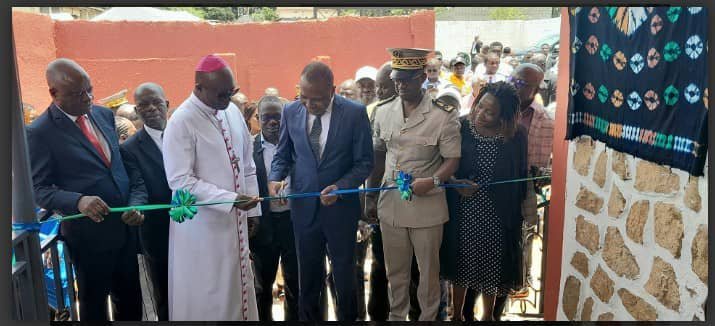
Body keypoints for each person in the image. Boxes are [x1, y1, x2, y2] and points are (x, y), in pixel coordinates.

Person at [27, 58, 144, 321]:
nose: (88, 97)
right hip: (89, 239)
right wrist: (78, 201)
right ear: (54, 94)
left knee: (131, 301)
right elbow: (39, 188)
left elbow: (124, 168)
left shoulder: (103, 114)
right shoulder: (39, 132)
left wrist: (136, 201)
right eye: (78, 93)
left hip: (126, 229)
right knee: (94, 309)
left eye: (89, 89)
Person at [268, 61, 374, 321]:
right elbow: (282, 154)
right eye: (304, 97)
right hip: (304, 211)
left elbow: (365, 163)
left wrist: (341, 187)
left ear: (333, 90)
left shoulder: (354, 113)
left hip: (340, 211)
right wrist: (274, 178)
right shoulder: (291, 111)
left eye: (316, 100)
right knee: (308, 279)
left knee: (344, 277)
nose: (309, 105)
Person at [162, 54, 262, 321]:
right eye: (221, 95)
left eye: (232, 93)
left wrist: (253, 212)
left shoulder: (230, 111)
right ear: (199, 87)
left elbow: (247, 162)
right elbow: (180, 180)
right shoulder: (181, 121)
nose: (227, 100)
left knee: (238, 288)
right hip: (203, 230)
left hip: (236, 222)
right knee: (208, 294)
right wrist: (230, 200)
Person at [366, 48, 461, 321]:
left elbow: (452, 160)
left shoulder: (442, 115)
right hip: (392, 202)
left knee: (429, 274)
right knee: (395, 273)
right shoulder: (383, 112)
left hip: (427, 203)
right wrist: (370, 197)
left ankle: (428, 318)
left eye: (406, 79)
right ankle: (397, 317)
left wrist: (432, 181)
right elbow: (378, 155)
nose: (400, 85)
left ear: (421, 77)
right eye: (397, 79)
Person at [441, 81, 528, 321]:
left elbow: (520, 175)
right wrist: (455, 183)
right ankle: (456, 316)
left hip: (498, 214)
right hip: (463, 211)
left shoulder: (516, 135)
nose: (481, 114)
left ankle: (488, 317)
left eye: (490, 112)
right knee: (461, 263)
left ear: (505, 116)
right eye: (480, 106)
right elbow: (442, 165)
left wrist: (521, 209)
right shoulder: (460, 127)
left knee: (491, 265)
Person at [119, 82, 172, 321]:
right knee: (165, 294)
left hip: (196, 228)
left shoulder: (186, 134)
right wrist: (137, 207)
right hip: (158, 232)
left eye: (156, 103)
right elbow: (137, 186)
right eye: (143, 106)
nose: (151, 109)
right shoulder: (130, 148)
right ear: (137, 112)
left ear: (167, 105)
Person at [249, 95, 300, 321]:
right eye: (267, 118)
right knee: (262, 289)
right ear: (257, 119)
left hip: (294, 223)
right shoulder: (247, 150)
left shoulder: (299, 146)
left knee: (296, 285)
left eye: (277, 117)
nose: (273, 122)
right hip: (263, 228)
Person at [511, 63, 554, 285]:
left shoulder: (545, 121)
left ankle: (518, 284)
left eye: (522, 84)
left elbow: (540, 166)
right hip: (486, 189)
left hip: (520, 191)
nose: (515, 86)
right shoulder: (491, 107)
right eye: (513, 80)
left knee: (519, 242)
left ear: (536, 90)